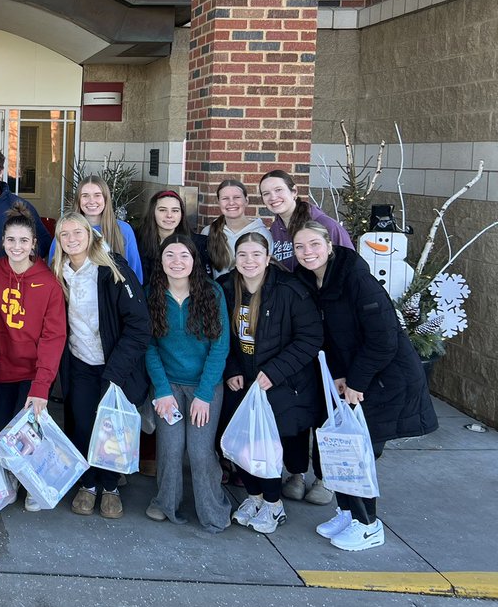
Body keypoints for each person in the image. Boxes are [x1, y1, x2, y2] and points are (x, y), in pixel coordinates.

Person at [291, 222, 438, 551]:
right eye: (300, 247)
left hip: (385, 379)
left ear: (330, 245)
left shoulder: (356, 279)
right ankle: (347, 512)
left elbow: (384, 340)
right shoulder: (313, 282)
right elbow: (333, 337)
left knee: (359, 454)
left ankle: (368, 525)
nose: (307, 252)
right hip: (353, 379)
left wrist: (356, 381)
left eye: (314, 244)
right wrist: (342, 374)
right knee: (343, 449)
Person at [219, 232, 324, 534]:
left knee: (266, 448)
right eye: (242, 255)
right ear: (235, 259)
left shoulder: (289, 290)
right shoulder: (227, 288)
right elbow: (218, 335)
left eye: (255, 255)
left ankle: (274, 505)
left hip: (279, 383)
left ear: (268, 259)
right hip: (242, 382)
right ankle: (254, 497)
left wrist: (275, 372)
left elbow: (310, 338)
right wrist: (231, 367)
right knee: (241, 444)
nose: (249, 261)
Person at [51, 212, 151, 519]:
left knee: (109, 427)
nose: (71, 239)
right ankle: (88, 483)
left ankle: (110, 485)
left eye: (77, 233)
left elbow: (139, 325)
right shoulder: (58, 274)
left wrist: (116, 371)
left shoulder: (113, 269)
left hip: (114, 364)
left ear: (91, 234)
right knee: (81, 424)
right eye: (64, 235)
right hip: (79, 361)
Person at [143, 234, 231, 532]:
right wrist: (163, 390)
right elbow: (149, 347)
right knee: (169, 447)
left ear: (195, 260)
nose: (177, 262)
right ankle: (165, 503)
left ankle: (213, 510)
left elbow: (220, 347)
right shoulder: (152, 294)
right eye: (170, 255)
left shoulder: (212, 293)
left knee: (199, 450)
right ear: (161, 261)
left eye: (184, 256)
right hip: (167, 385)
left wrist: (205, 394)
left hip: (205, 386)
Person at [0, 203, 67, 511]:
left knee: (33, 431)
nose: (16, 247)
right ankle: (11, 477)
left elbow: (53, 336)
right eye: (11, 240)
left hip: (32, 372)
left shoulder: (48, 282)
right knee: (4, 428)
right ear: (3, 242)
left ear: (34, 243)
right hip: (0, 369)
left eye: (23, 241)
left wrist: (42, 383)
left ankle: (33, 480)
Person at [47, 176, 143, 282]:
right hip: (74, 294)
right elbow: (53, 269)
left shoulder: (123, 229)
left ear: (105, 198)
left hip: (114, 295)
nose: (91, 201)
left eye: (97, 195)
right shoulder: (65, 229)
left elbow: (135, 273)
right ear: (78, 200)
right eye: (85, 196)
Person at [259, 169, 352, 271]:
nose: (273, 197)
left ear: (294, 191)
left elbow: (350, 265)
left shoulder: (326, 225)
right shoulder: (275, 229)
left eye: (278, 190)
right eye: (266, 193)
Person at [136, 189, 210, 285]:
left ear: (181, 214)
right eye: (162, 210)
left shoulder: (199, 244)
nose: (169, 215)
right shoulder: (137, 241)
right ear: (152, 213)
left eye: (175, 210)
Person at [202, 179, 270, 278]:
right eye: (225, 198)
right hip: (219, 292)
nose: (231, 202)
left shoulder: (262, 233)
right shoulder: (208, 232)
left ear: (246, 201)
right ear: (218, 202)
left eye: (237, 197)